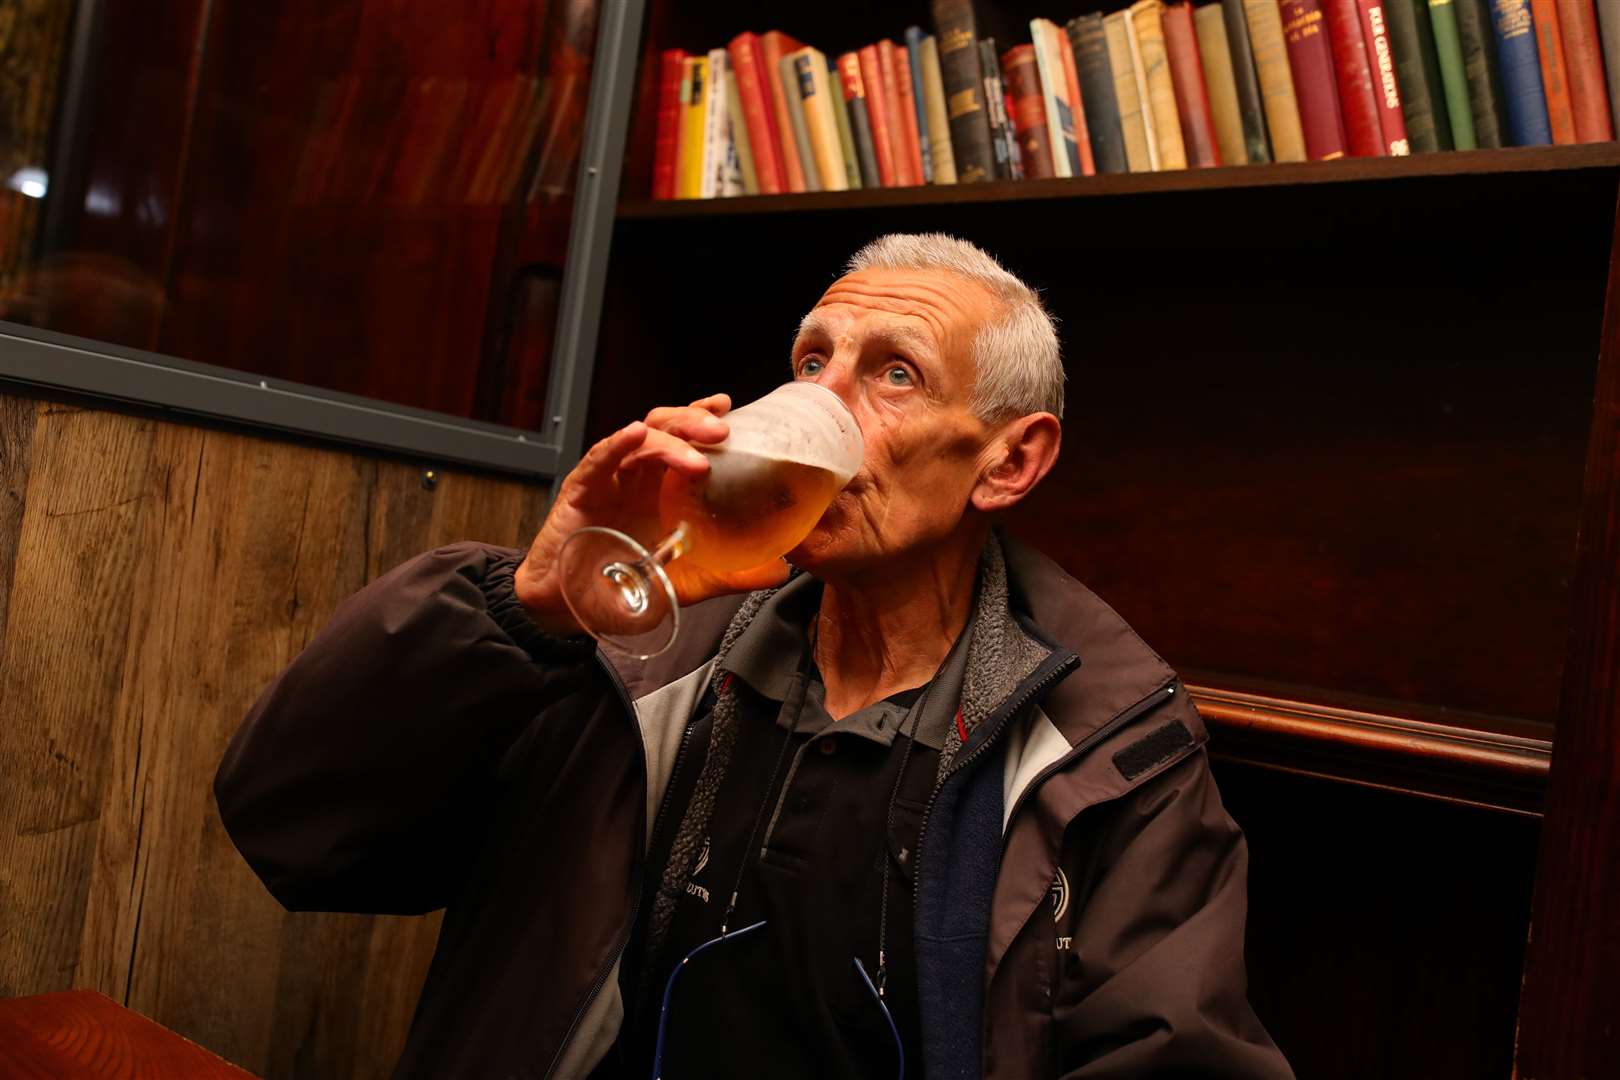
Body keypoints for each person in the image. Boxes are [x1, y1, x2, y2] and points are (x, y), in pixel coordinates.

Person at [215, 233, 1294, 1079]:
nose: (816, 404)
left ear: (1010, 462)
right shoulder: (639, 654)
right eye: (811, 360)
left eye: (894, 375)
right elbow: (297, 829)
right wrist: (530, 613)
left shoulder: (1112, 743)